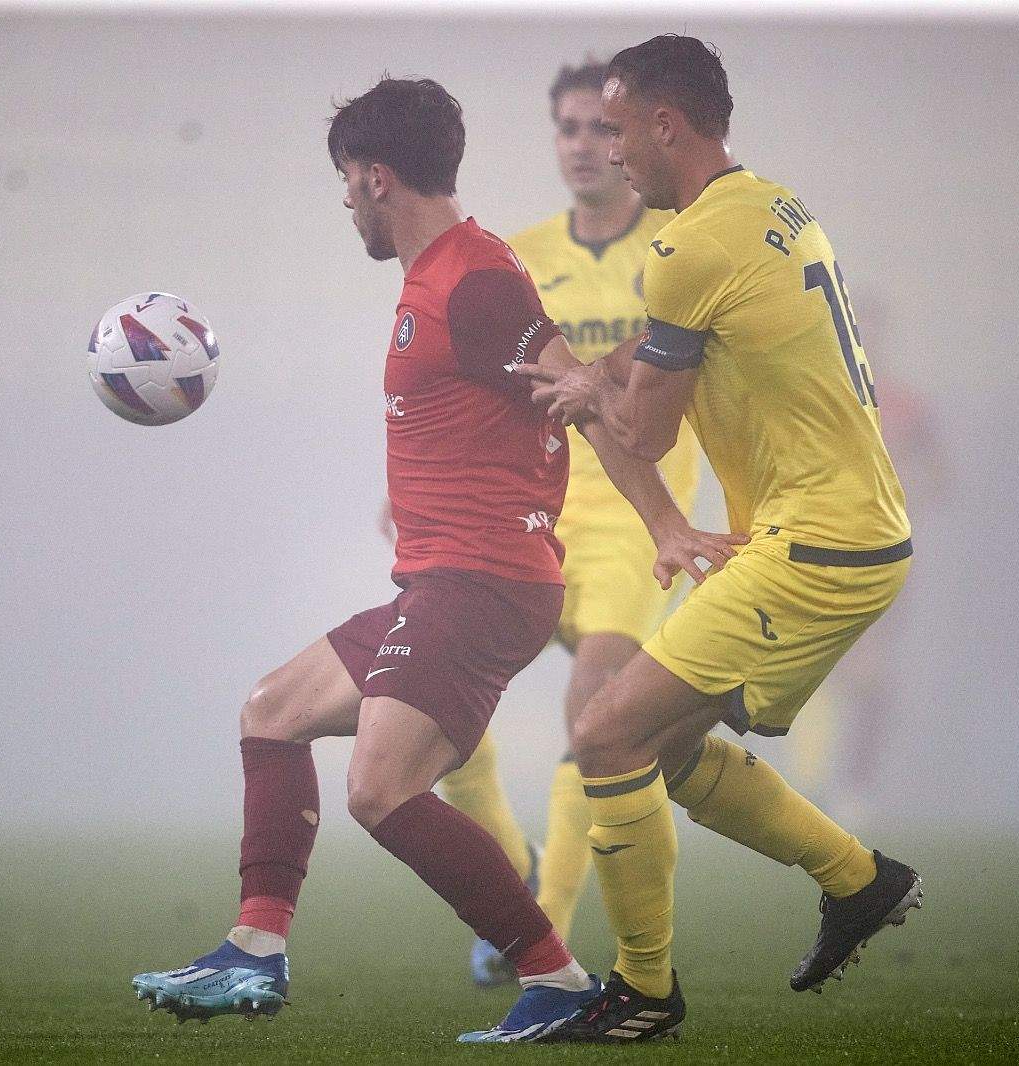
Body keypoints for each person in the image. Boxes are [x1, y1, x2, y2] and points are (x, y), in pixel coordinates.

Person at [130, 76, 731, 1045]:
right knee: (271, 713)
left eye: (344, 182)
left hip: (483, 582)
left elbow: (576, 395)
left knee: (381, 788)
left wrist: (661, 522)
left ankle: (557, 975)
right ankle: (253, 948)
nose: (343, 201)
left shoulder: (475, 279)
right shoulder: (441, 276)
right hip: (446, 581)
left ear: (373, 177)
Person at [518, 35, 924, 1042]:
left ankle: (641, 994)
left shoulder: (684, 247)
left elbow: (647, 427)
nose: (610, 153)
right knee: (662, 744)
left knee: (607, 734)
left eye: (617, 129)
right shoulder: (772, 206)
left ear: (665, 125)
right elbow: (686, 352)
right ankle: (857, 880)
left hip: (816, 544)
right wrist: (607, 376)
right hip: (845, 531)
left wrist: (581, 392)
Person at [432, 60, 704, 987]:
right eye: (569, 129)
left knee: (594, 714)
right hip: (530, 506)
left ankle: (536, 928)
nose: (587, 146)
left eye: (601, 128)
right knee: (437, 703)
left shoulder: (680, 246)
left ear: (633, 139)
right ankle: (512, 871)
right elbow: (479, 384)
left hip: (635, 513)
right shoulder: (520, 255)